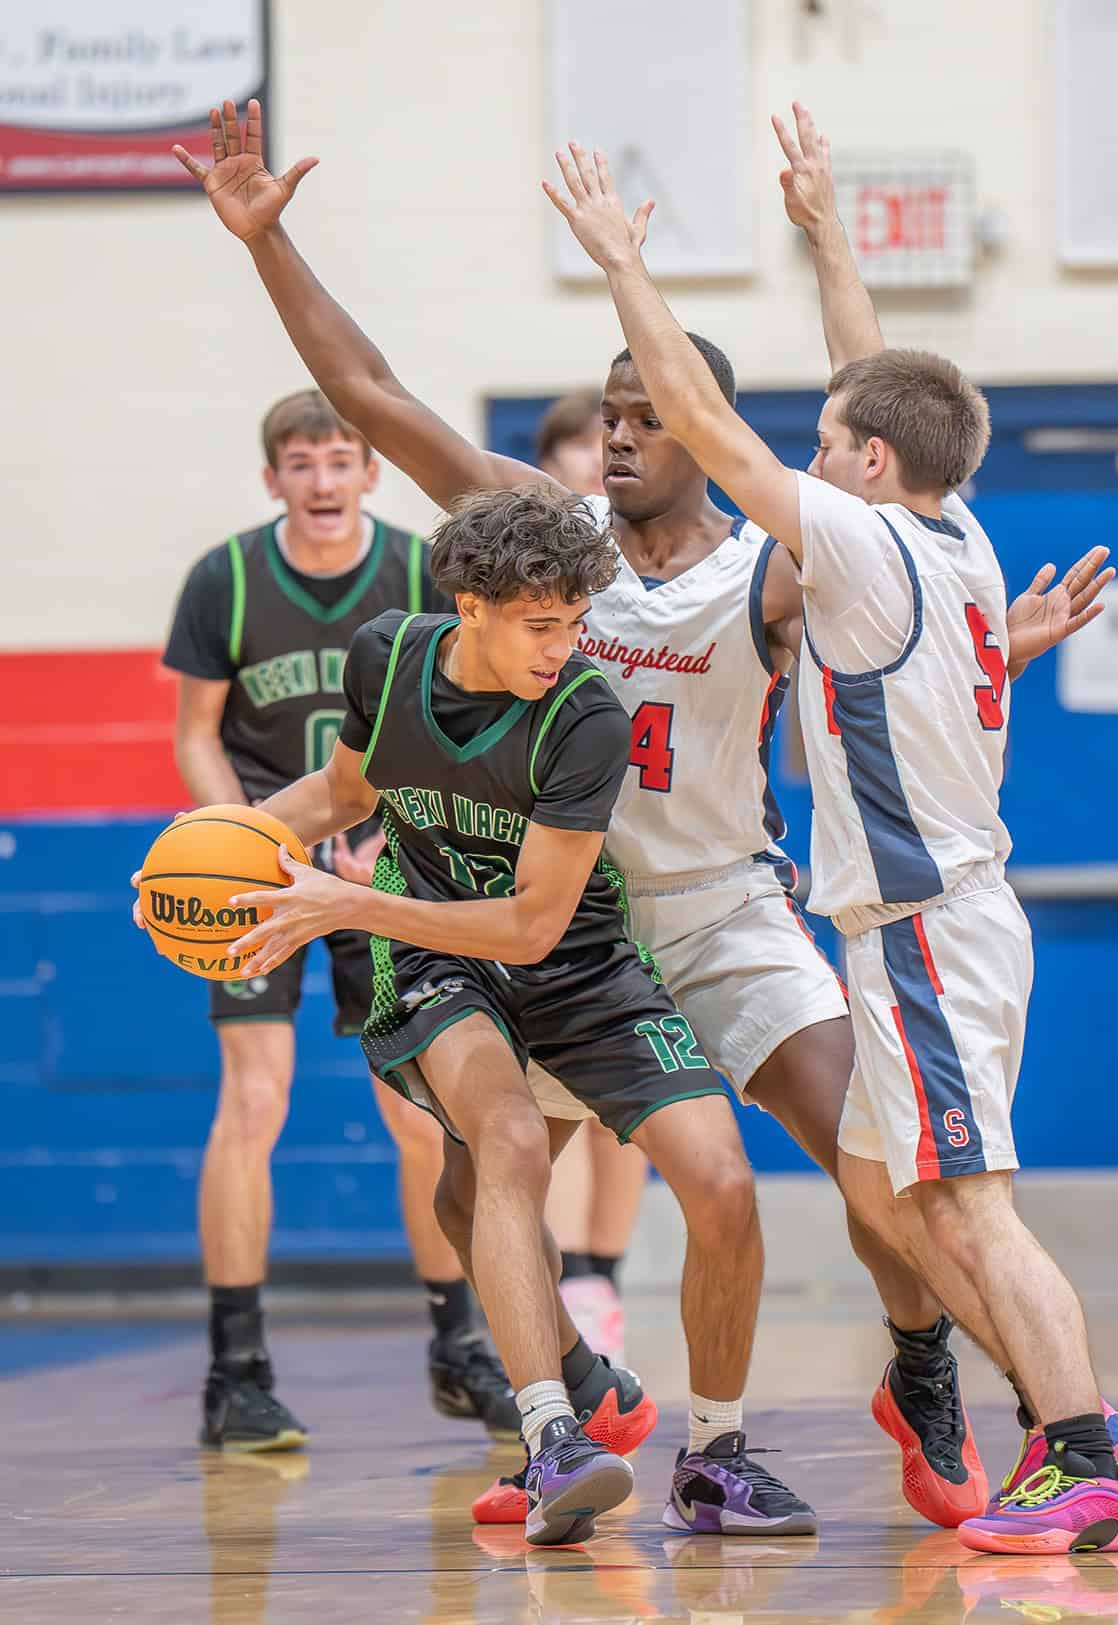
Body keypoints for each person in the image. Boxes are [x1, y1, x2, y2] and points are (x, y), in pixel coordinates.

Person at [168, 102, 821, 1544]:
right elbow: (370, 387)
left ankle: (740, 1433)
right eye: (616, 411)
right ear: (474, 602)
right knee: (493, 1152)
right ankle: (548, 1422)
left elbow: (536, 918)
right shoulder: (484, 575)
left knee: (728, 1176)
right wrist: (225, 856)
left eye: (660, 409)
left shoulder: (725, 586)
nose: (631, 430)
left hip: (623, 920)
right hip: (457, 944)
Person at [544, 111, 1118, 1556]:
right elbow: (867, 387)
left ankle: (1084, 1448)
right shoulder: (950, 531)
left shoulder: (863, 545)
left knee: (972, 1212)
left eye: (828, 446)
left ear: (869, 468)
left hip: (926, 925)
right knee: (913, 1211)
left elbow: (699, 416)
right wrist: (824, 238)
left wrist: (625, 265)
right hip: (919, 926)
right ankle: (969, 1395)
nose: (807, 460)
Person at [162, 388, 517, 1449]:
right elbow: (195, 733)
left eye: (339, 460)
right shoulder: (224, 580)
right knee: (253, 1099)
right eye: (301, 464)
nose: (321, 481)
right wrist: (246, 841)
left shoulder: (419, 570)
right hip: (264, 867)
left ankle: (459, 1347)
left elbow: (461, 711)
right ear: (273, 479)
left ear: (369, 472)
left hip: (387, 865)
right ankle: (237, 1370)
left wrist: (391, 824)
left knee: (422, 1117)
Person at [536, 389, 648, 1368]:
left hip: (653, 857)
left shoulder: (666, 563)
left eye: (605, 440)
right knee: (565, 1090)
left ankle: (603, 1272)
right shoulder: (538, 587)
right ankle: (570, 1270)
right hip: (557, 852)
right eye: (575, 445)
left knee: (638, 1101)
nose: (594, 457)